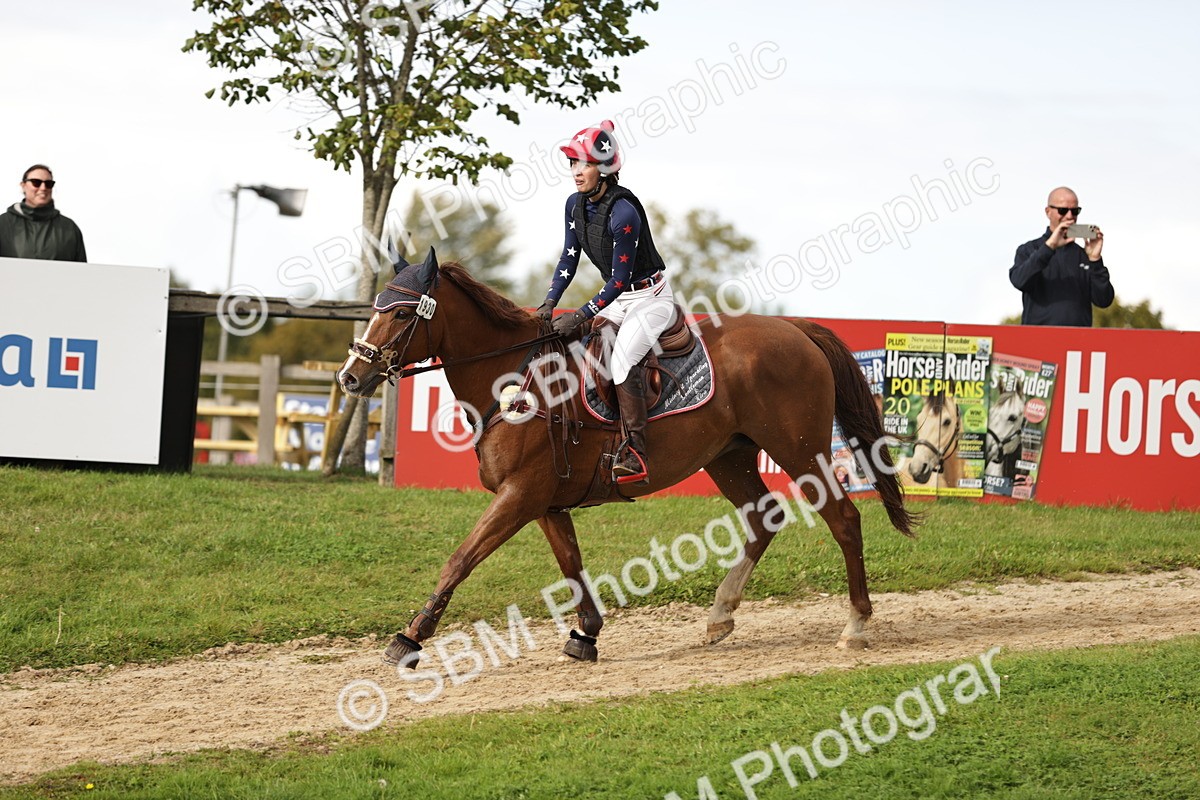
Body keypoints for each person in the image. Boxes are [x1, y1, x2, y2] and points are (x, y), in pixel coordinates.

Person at [536, 120, 676, 485]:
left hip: (649, 298)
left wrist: (580, 314)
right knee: (562, 338)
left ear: (605, 168)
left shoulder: (624, 211)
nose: (576, 172)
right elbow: (569, 259)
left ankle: (636, 453)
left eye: (583, 164)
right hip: (618, 298)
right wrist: (550, 304)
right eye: (573, 164)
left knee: (622, 361)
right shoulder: (574, 204)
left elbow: (618, 280)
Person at [1009, 186, 1112, 326]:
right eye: (1062, 210)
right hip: (1037, 340)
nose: (1069, 216)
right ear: (1048, 212)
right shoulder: (1028, 250)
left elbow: (1104, 300)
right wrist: (1049, 247)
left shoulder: (1084, 255)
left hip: (1077, 341)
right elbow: (1019, 280)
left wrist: (1095, 260)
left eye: (1075, 211)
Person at [0, 164, 87, 262]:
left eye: (49, 183)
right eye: (36, 182)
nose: (43, 188)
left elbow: (81, 273)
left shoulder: (69, 228)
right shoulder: (3, 224)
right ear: (23, 185)